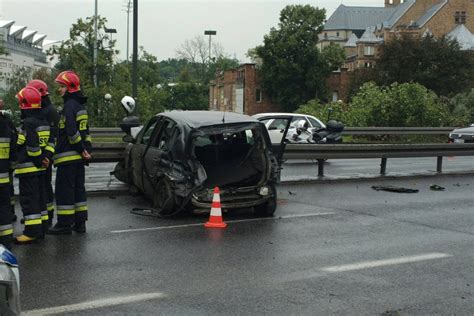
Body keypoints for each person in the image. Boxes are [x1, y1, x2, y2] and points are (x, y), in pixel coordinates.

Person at [48, 70, 91, 235]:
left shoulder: (69, 106)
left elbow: (72, 132)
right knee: (78, 189)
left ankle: (64, 224)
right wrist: (86, 151)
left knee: (64, 191)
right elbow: (85, 132)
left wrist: (80, 148)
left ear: (70, 88)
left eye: (61, 86)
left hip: (68, 158)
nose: (59, 90)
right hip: (79, 157)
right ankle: (80, 223)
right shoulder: (80, 106)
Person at [14, 87, 50, 244]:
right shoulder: (44, 121)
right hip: (41, 169)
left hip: (29, 169)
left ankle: (31, 232)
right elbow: (50, 142)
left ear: (24, 104)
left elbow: (32, 148)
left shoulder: (28, 123)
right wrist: (46, 158)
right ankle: (41, 228)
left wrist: (38, 159)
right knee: (40, 198)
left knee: (29, 200)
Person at [26, 80, 59, 227]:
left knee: (44, 185)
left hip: (44, 155)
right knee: (42, 185)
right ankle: (43, 214)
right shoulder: (45, 109)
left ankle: (47, 215)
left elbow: (51, 135)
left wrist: (46, 157)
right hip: (44, 154)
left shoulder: (48, 111)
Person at [0, 99, 17, 248]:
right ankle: (6, 241)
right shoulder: (6, 124)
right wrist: (11, 168)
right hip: (4, 178)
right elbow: (13, 150)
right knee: (4, 208)